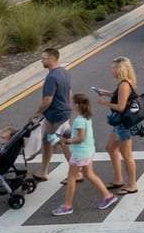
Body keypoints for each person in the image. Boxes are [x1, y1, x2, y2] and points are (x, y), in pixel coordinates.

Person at [51, 93, 119, 216]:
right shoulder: (86, 117)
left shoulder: (79, 120)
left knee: (72, 177)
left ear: (77, 104)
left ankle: (67, 206)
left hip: (80, 153)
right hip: (88, 151)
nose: (72, 104)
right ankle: (108, 196)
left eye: (73, 102)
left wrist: (65, 141)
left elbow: (80, 138)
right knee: (89, 174)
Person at [96, 56, 142, 195]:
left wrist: (105, 103)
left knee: (127, 154)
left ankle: (132, 184)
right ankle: (118, 179)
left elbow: (121, 107)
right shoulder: (123, 83)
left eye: (114, 68)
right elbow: (121, 96)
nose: (112, 70)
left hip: (123, 124)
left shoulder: (124, 84)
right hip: (120, 124)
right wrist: (106, 93)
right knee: (110, 148)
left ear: (120, 69)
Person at [31, 47, 72, 182]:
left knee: (62, 143)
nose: (41, 61)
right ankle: (43, 170)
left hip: (56, 116)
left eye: (43, 59)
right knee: (47, 141)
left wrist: (37, 112)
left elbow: (47, 100)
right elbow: (69, 92)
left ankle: (76, 172)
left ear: (52, 59)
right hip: (61, 113)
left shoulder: (52, 77)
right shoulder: (63, 72)